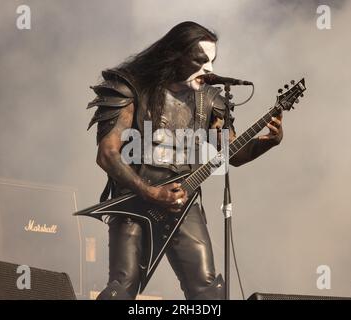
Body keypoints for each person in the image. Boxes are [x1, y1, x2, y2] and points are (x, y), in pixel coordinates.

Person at [87, 21, 283, 300]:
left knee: (207, 290)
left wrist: (269, 142)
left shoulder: (210, 100)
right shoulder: (131, 87)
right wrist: (151, 192)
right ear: (175, 54)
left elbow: (233, 154)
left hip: (184, 201)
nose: (209, 69)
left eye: (212, 61)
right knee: (123, 287)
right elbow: (107, 154)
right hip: (134, 200)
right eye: (200, 61)